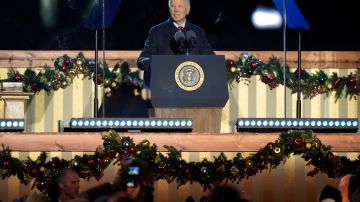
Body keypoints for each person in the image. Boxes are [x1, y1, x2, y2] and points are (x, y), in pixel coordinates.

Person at [137, 0, 215, 87]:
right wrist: (155, 63)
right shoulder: (156, 31)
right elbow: (142, 60)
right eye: (173, 6)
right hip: (165, 87)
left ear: (187, 10)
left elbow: (211, 59)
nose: (176, 10)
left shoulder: (198, 32)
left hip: (192, 87)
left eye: (179, 6)